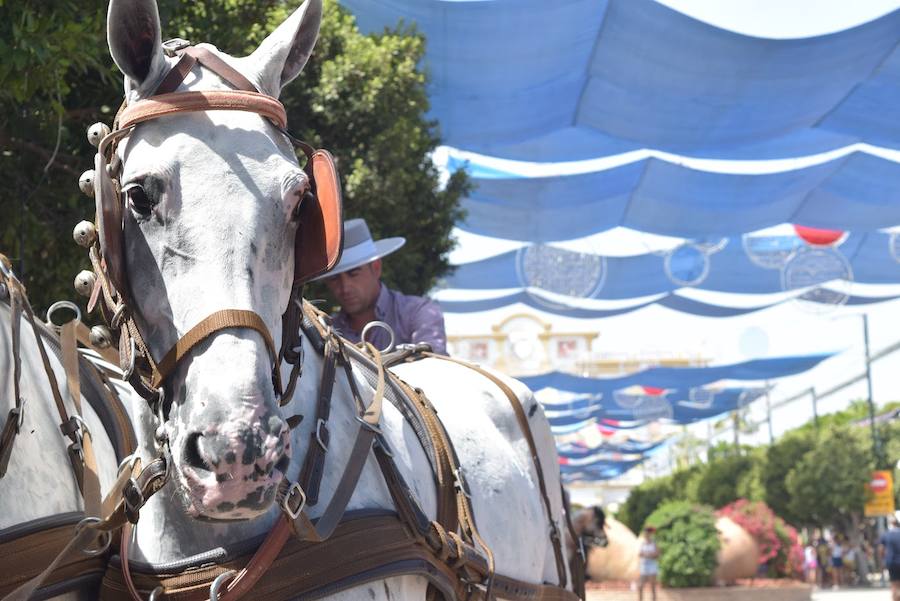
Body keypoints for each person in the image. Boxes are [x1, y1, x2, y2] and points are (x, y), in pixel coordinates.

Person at [321, 218, 447, 354]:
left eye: (353, 274)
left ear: (376, 268)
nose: (345, 287)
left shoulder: (418, 312)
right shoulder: (326, 331)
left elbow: (434, 361)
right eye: (334, 278)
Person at [880, 518, 900, 601]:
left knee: (894, 584)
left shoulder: (886, 534)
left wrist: (883, 560)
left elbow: (881, 549)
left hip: (891, 562)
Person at [638, 526, 659, 601]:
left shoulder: (654, 543)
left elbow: (657, 554)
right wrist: (648, 554)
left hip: (652, 566)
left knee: (652, 586)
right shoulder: (643, 543)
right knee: (640, 586)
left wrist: (648, 555)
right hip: (644, 566)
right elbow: (640, 554)